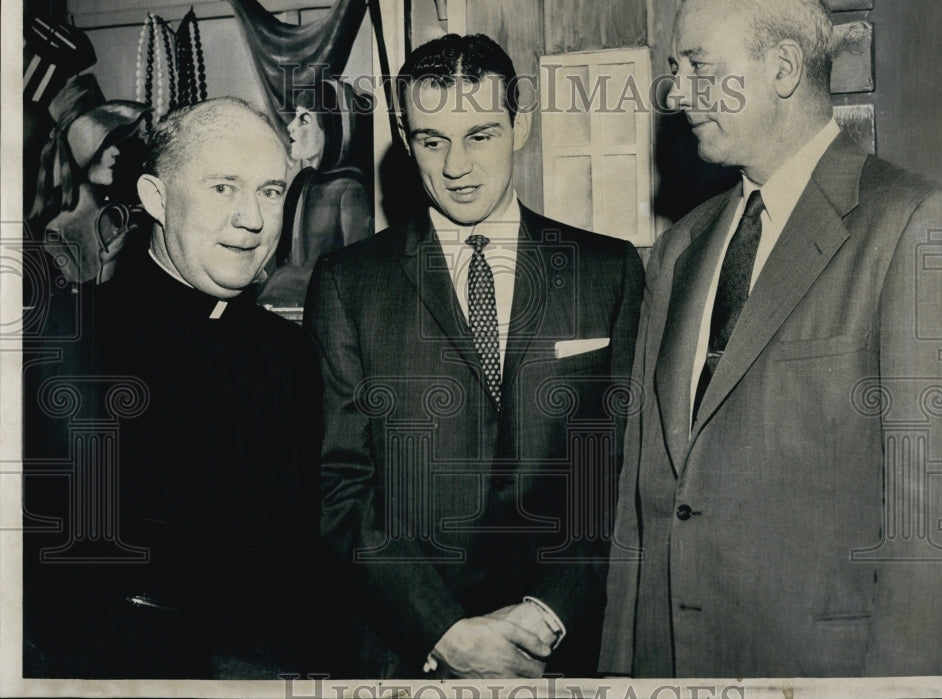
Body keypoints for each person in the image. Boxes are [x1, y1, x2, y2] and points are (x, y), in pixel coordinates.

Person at [600, 0, 942, 678]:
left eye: (700, 67)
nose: (679, 92)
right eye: (677, 68)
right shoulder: (679, 248)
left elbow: (934, 539)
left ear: (780, 67)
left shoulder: (917, 224)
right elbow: (639, 511)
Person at [305, 33, 644, 678]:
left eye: (481, 134)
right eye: (432, 141)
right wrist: (444, 631)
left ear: (520, 127)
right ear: (405, 144)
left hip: (561, 647)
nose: (456, 166)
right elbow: (340, 486)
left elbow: (625, 474)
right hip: (409, 656)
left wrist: (548, 614)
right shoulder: (350, 283)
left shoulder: (608, 272)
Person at [22, 97, 329, 678]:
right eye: (222, 188)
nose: (254, 220)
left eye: (270, 191)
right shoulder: (66, 338)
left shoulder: (289, 354)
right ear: (155, 199)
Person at [257, 78, 374, 308]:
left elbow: (358, 271)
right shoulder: (302, 182)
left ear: (331, 128)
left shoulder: (350, 189)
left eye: (304, 120)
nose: (291, 127)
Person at [27, 73, 150, 285]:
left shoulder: (116, 215)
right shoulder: (59, 233)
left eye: (115, 142)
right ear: (80, 152)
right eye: (103, 144)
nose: (115, 152)